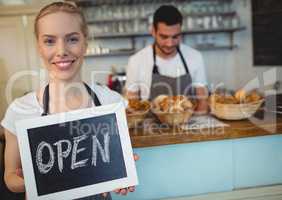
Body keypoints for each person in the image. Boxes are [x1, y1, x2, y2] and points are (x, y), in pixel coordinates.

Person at [1, 2, 136, 199]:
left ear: (85, 44)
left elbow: (115, 161)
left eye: (72, 39)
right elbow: (10, 177)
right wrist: (43, 180)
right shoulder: (20, 110)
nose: (61, 50)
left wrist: (121, 174)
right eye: (49, 41)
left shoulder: (111, 101)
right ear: (39, 46)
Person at [125, 5, 209, 114]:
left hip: (187, 125)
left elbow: (202, 102)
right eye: (164, 37)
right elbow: (132, 105)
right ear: (153, 32)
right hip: (150, 127)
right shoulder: (136, 61)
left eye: (175, 37)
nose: (170, 43)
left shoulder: (195, 57)